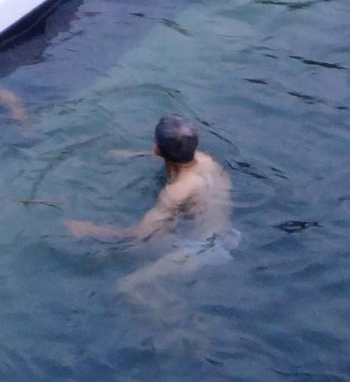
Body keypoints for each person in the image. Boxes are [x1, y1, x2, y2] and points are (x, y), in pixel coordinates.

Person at [66, 114, 239, 292]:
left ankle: (190, 318)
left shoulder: (174, 192)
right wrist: (129, 155)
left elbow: (141, 233)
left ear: (157, 148)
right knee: (137, 251)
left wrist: (90, 230)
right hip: (226, 236)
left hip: (200, 252)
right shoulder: (208, 161)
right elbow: (169, 156)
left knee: (127, 286)